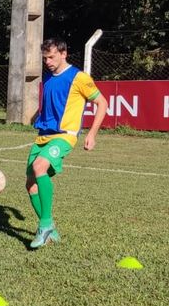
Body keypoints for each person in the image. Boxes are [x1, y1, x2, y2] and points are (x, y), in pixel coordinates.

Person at [26, 38, 109, 249]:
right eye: (45, 58)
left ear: (64, 54)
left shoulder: (79, 78)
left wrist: (92, 134)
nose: (48, 62)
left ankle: (45, 225)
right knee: (31, 185)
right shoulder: (47, 76)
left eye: (51, 57)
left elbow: (102, 103)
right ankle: (50, 229)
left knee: (39, 167)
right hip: (43, 135)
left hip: (65, 135)